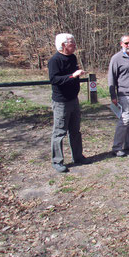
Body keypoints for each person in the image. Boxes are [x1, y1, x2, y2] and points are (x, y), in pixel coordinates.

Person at [48, 33, 90, 173]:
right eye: (72, 43)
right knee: (59, 132)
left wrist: (76, 75)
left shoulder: (72, 57)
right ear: (64, 45)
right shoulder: (54, 60)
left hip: (74, 100)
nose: (75, 45)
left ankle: (78, 157)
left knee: (75, 131)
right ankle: (57, 161)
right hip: (61, 102)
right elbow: (54, 79)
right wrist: (73, 75)